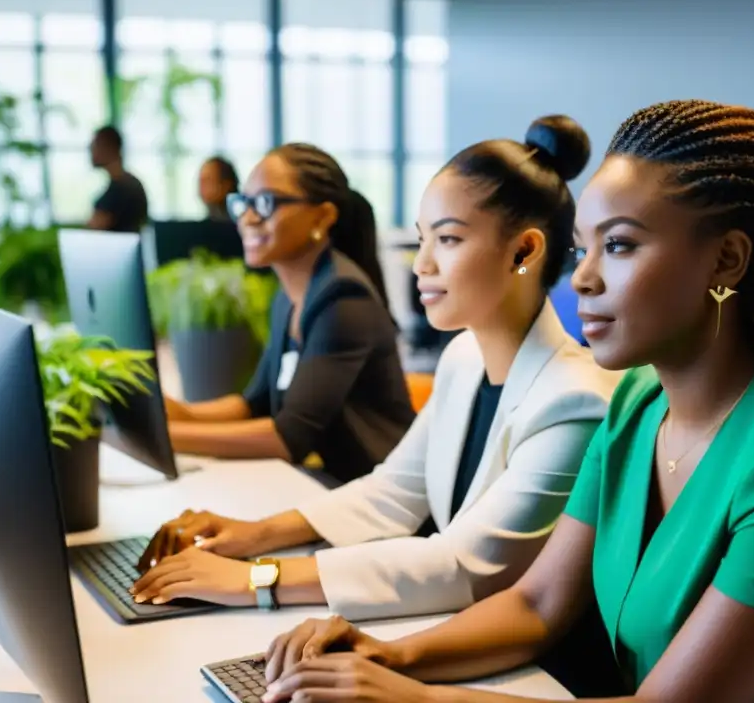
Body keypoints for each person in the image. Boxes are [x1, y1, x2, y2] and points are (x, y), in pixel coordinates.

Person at [255, 100, 754, 703]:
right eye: (584, 248)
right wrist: (385, 656)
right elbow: (536, 605)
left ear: (726, 260)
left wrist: (418, 697)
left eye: (618, 245)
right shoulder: (637, 405)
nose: (584, 278)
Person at [131, 117, 621, 657]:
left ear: (524, 252)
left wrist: (256, 580)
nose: (423, 263)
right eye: (422, 238)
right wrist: (252, 535)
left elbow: (463, 565)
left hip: (525, 669)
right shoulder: (464, 356)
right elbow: (394, 491)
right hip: (449, 627)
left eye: (449, 238)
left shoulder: (574, 401)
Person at [159, 143, 414, 482]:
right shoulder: (290, 296)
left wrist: (169, 437)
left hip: (379, 498)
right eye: (243, 203)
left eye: (266, 203)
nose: (248, 218)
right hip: (328, 485)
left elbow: (288, 438)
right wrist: (179, 413)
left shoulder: (344, 299)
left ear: (322, 217)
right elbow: (255, 403)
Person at [87, 125, 148, 233]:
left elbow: (97, 226)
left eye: (94, 145)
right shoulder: (127, 183)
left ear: (109, 148)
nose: (91, 150)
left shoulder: (124, 188)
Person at [199, 155, 240, 221]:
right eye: (200, 181)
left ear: (226, 185)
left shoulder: (243, 223)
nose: (201, 187)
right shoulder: (204, 226)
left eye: (207, 180)